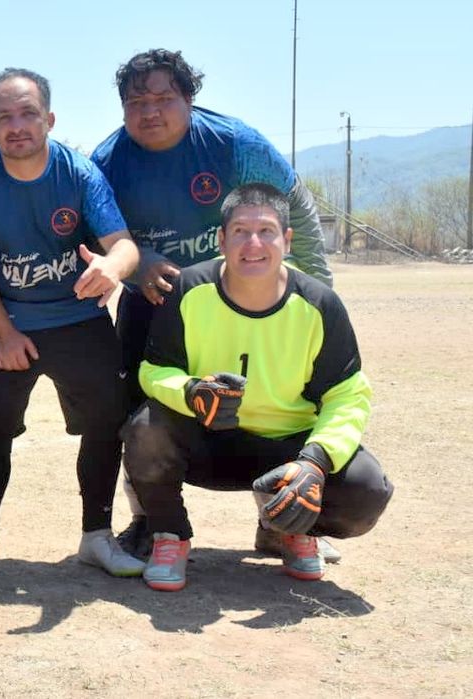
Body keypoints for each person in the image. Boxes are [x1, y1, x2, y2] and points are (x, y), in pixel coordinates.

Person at [89, 49, 338, 563]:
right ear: (122, 109)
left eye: (164, 99)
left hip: (244, 298)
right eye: (137, 101)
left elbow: (295, 210)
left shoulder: (234, 145)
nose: (150, 111)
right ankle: (151, 522)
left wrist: (314, 293)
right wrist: (138, 263)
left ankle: (281, 516)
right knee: (140, 411)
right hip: (154, 303)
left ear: (189, 100)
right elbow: (90, 230)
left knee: (278, 402)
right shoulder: (106, 162)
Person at [122, 183, 393, 592]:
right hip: (207, 445)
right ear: (221, 239)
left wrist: (315, 463)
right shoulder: (188, 290)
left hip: (287, 453)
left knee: (366, 489)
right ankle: (169, 535)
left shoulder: (319, 305)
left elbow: (347, 395)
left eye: (266, 231)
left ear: (287, 240)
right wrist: (192, 391)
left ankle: (290, 526)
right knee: (145, 430)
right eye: (240, 232)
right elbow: (154, 371)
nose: (253, 243)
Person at [0, 68, 145, 585]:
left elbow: (123, 245)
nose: (17, 126)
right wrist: (4, 334)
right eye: (4, 117)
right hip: (8, 319)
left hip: (79, 319)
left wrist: (112, 268)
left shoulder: (79, 175)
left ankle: (96, 537)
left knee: (105, 425)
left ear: (49, 119)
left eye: (28, 114)